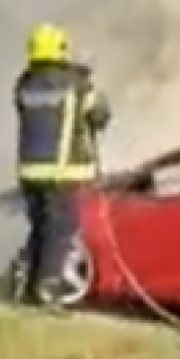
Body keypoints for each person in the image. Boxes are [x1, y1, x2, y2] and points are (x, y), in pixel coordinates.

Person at [14, 22, 111, 308]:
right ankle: (48, 291)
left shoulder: (23, 85)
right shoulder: (78, 86)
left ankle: (29, 287)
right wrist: (83, 75)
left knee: (40, 229)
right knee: (60, 231)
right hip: (61, 174)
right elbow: (101, 116)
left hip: (29, 172)